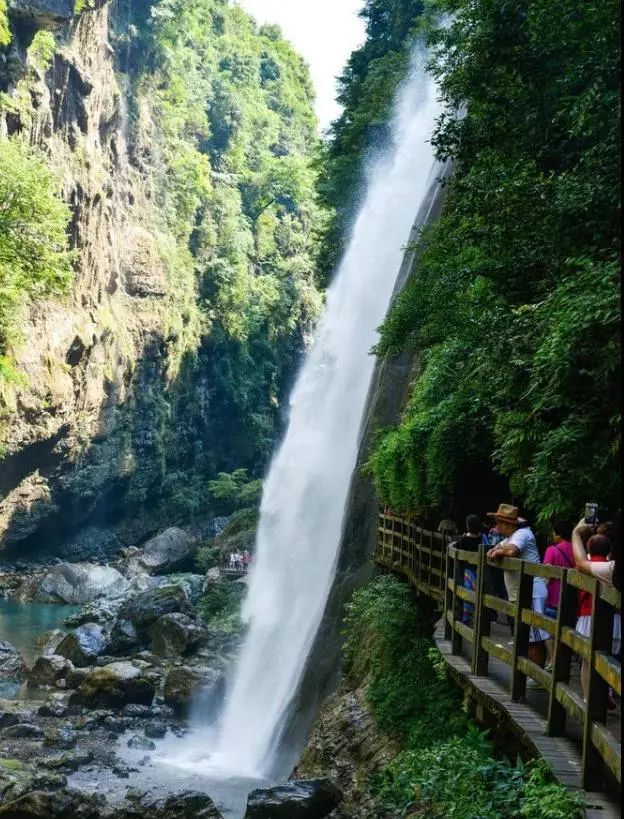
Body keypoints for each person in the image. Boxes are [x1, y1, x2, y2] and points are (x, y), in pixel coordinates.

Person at [486, 504, 550, 676]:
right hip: (521, 593)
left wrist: (498, 553)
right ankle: (531, 673)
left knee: (534, 638)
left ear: (505, 523)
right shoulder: (511, 537)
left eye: (497, 522)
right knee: (525, 636)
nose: (495, 526)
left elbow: (512, 551)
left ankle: (537, 676)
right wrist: (495, 550)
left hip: (531, 593)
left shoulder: (521, 534)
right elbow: (496, 548)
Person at [572, 519, 621, 705]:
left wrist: (576, 532)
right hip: (614, 619)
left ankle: (587, 697)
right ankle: (606, 690)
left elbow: (580, 564)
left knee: (587, 659)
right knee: (609, 658)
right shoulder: (610, 565)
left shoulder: (594, 567)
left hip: (588, 616)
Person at [542, 520, 575, 669]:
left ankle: (554, 661)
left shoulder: (552, 550)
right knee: (566, 633)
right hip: (572, 600)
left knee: (549, 632)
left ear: (558, 534)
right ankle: (563, 663)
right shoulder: (576, 550)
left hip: (553, 598)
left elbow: (545, 576)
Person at [456, 515, 488, 624]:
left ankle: (466, 619)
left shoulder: (463, 540)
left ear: (468, 526)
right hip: (482, 571)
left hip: (468, 572)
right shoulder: (482, 538)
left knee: (468, 594)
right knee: (481, 594)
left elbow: (457, 550)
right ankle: (481, 619)